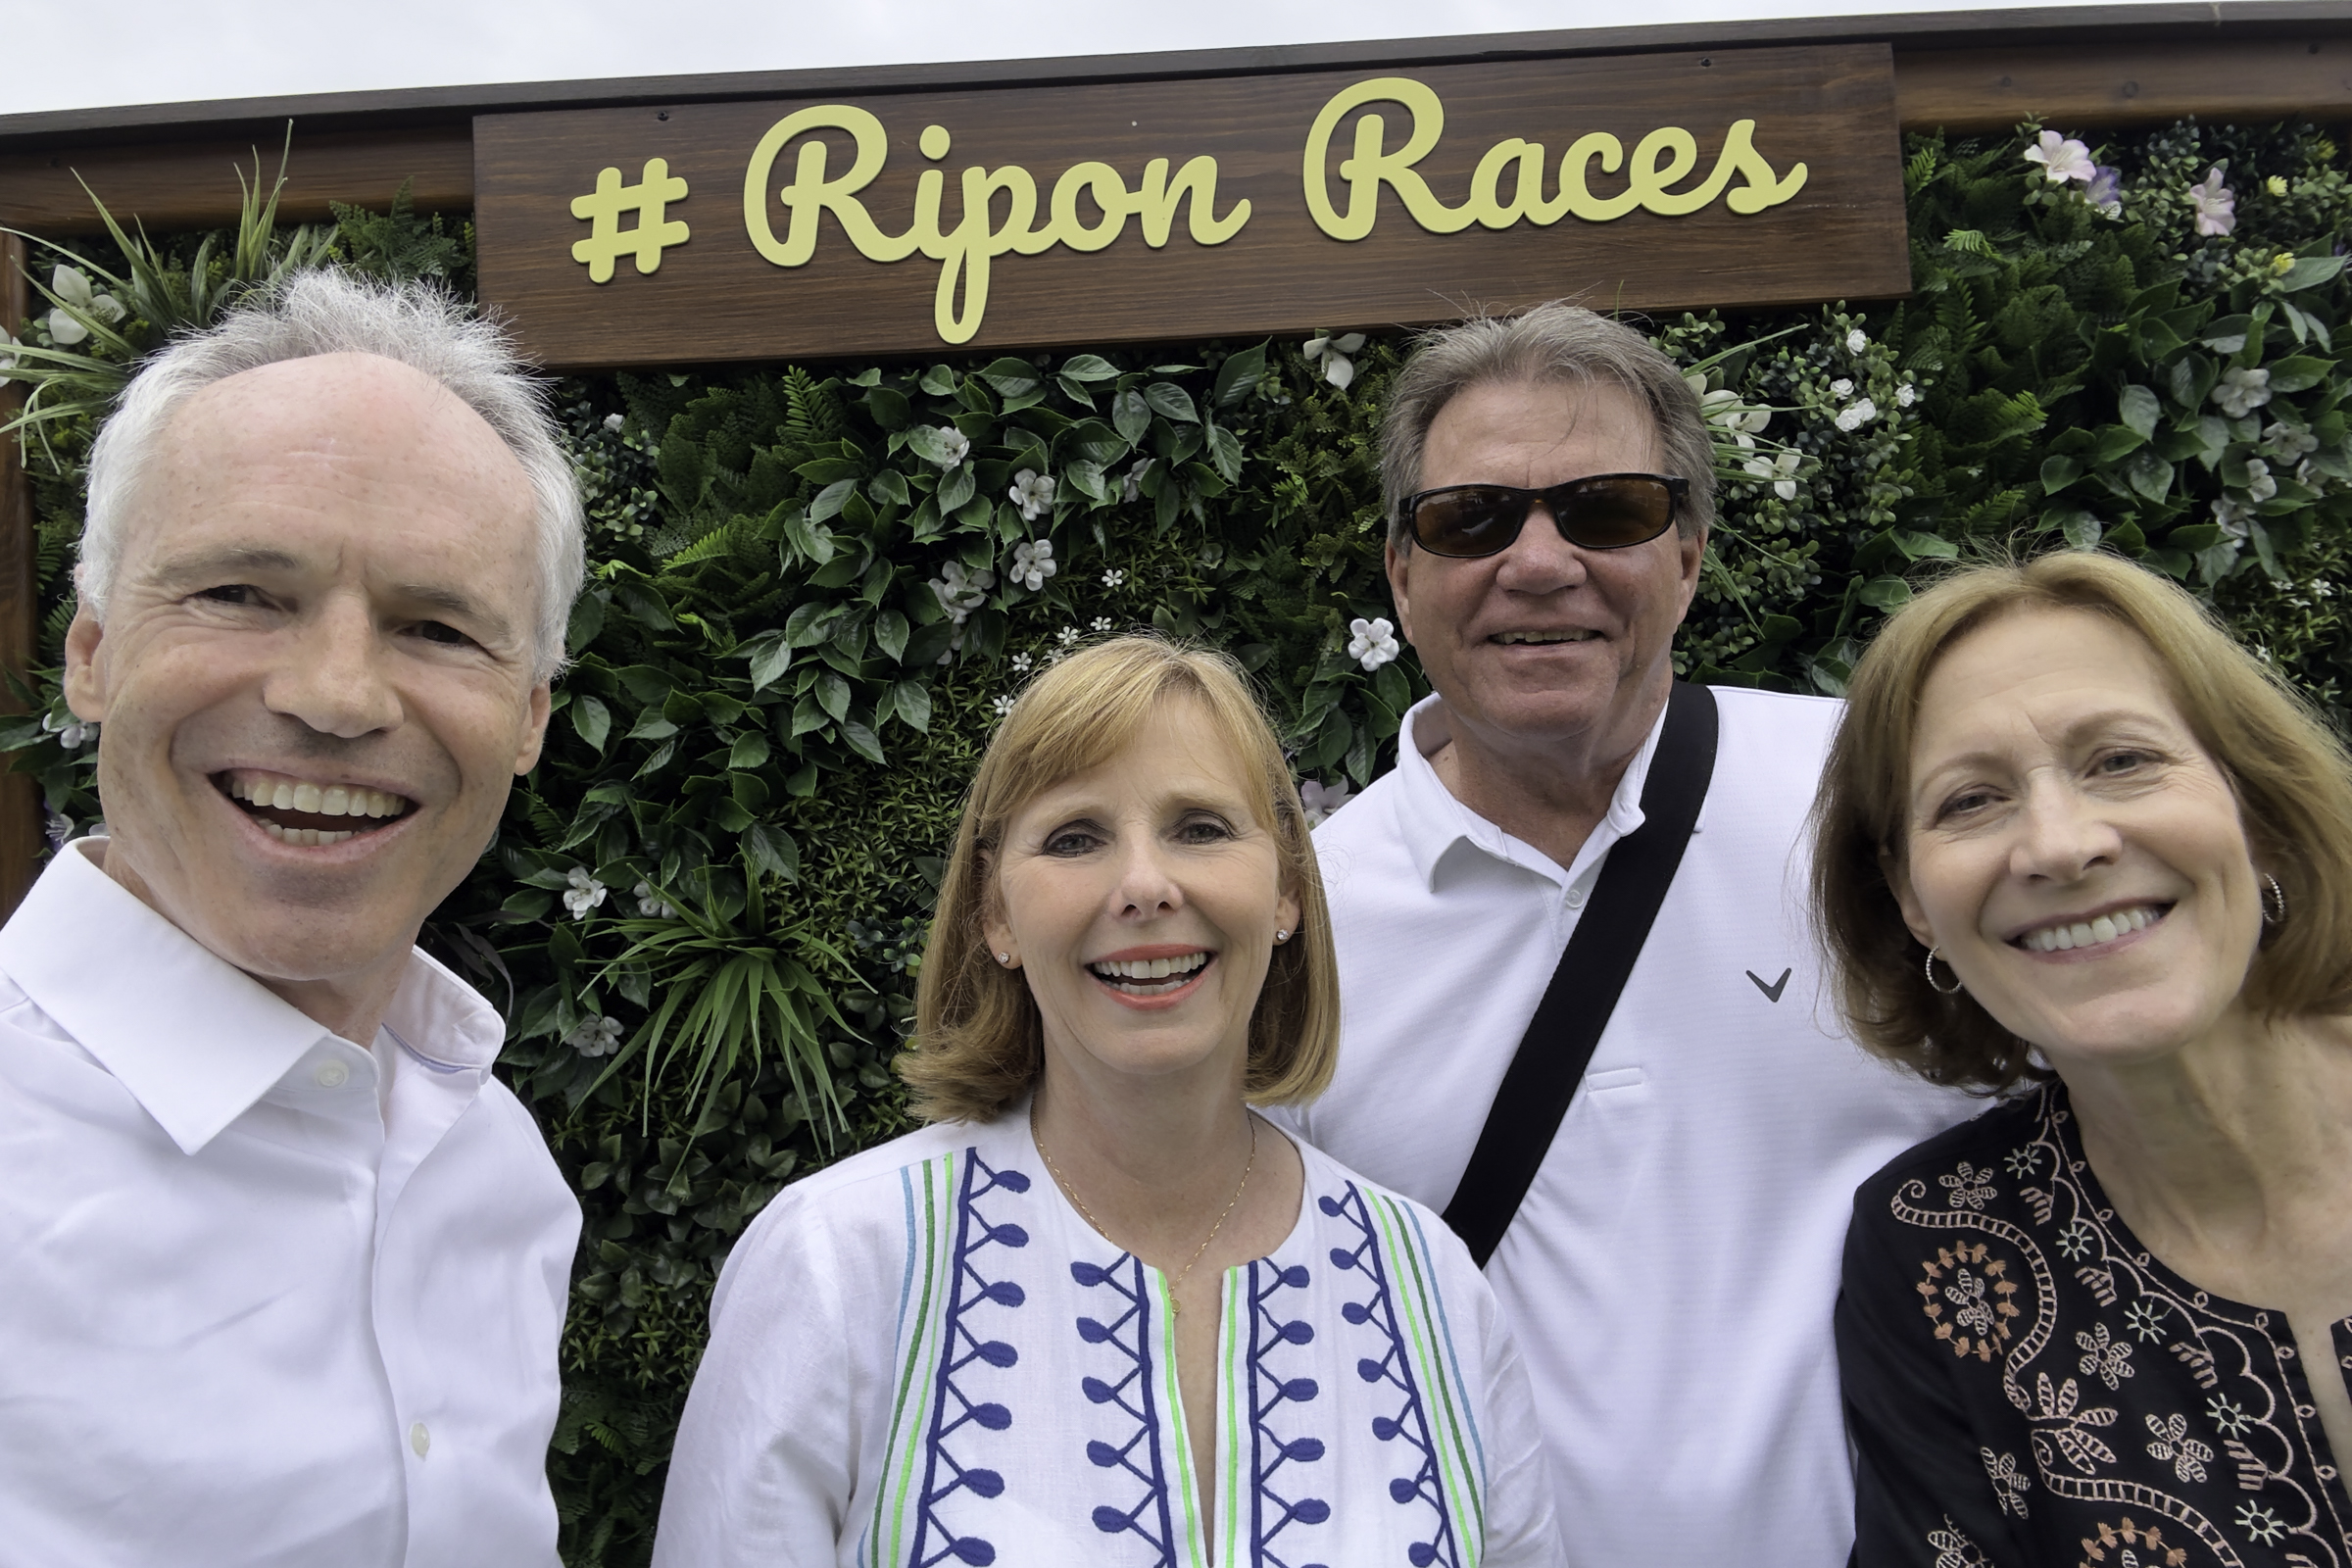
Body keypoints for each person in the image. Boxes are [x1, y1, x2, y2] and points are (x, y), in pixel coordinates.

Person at [1278, 303, 1972, 1563]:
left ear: (1691, 555)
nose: (1539, 561)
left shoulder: (1879, 805)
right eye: (1472, 517)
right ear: (1402, 574)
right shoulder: (1296, 929)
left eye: (1606, 510)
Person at [654, 635, 1561, 1567]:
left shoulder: (1433, 1289)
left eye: (1201, 828)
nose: (1143, 886)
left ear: (1287, 888)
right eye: (1075, 838)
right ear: (995, 915)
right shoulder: (838, 1264)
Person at [0, 270, 584, 1565]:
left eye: (435, 625)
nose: (335, 694)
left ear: (529, 719)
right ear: (90, 654)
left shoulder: (495, 1169)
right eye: (240, 594)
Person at [1819, 551, 2352, 1565]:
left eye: (2121, 759)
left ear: (2259, 811)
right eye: (1970, 801)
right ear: (1912, 901)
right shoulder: (1945, 1252)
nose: (2060, 846)